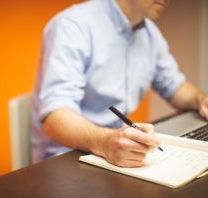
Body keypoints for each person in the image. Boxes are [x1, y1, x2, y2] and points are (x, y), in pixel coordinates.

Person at [31, 0, 208, 167]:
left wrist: (200, 100)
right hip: (67, 157)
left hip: (117, 151)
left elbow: (173, 85)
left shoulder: (150, 33)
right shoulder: (72, 25)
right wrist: (104, 142)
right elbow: (55, 116)